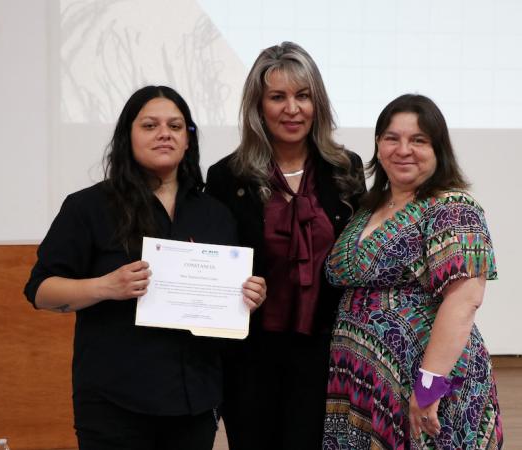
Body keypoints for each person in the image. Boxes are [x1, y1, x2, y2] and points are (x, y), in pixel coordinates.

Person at [24, 85, 266, 450]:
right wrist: (105, 286)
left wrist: (247, 295)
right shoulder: (89, 207)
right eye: (150, 125)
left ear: (188, 140)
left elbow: (225, 305)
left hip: (194, 402)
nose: (164, 133)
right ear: (128, 136)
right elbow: (40, 291)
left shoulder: (215, 213)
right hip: (115, 404)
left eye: (175, 126)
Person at [205, 42, 366, 450]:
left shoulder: (346, 170)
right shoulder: (226, 176)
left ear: (318, 103)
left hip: (327, 352)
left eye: (303, 96)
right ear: (258, 106)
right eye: (277, 97)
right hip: (251, 356)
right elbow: (214, 260)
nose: (291, 108)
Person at [323, 93, 503, 449]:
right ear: (378, 144)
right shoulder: (368, 209)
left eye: (418, 140)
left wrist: (428, 386)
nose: (403, 149)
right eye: (392, 138)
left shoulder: (453, 208)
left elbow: (464, 300)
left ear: (438, 148)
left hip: (427, 386)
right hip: (364, 382)